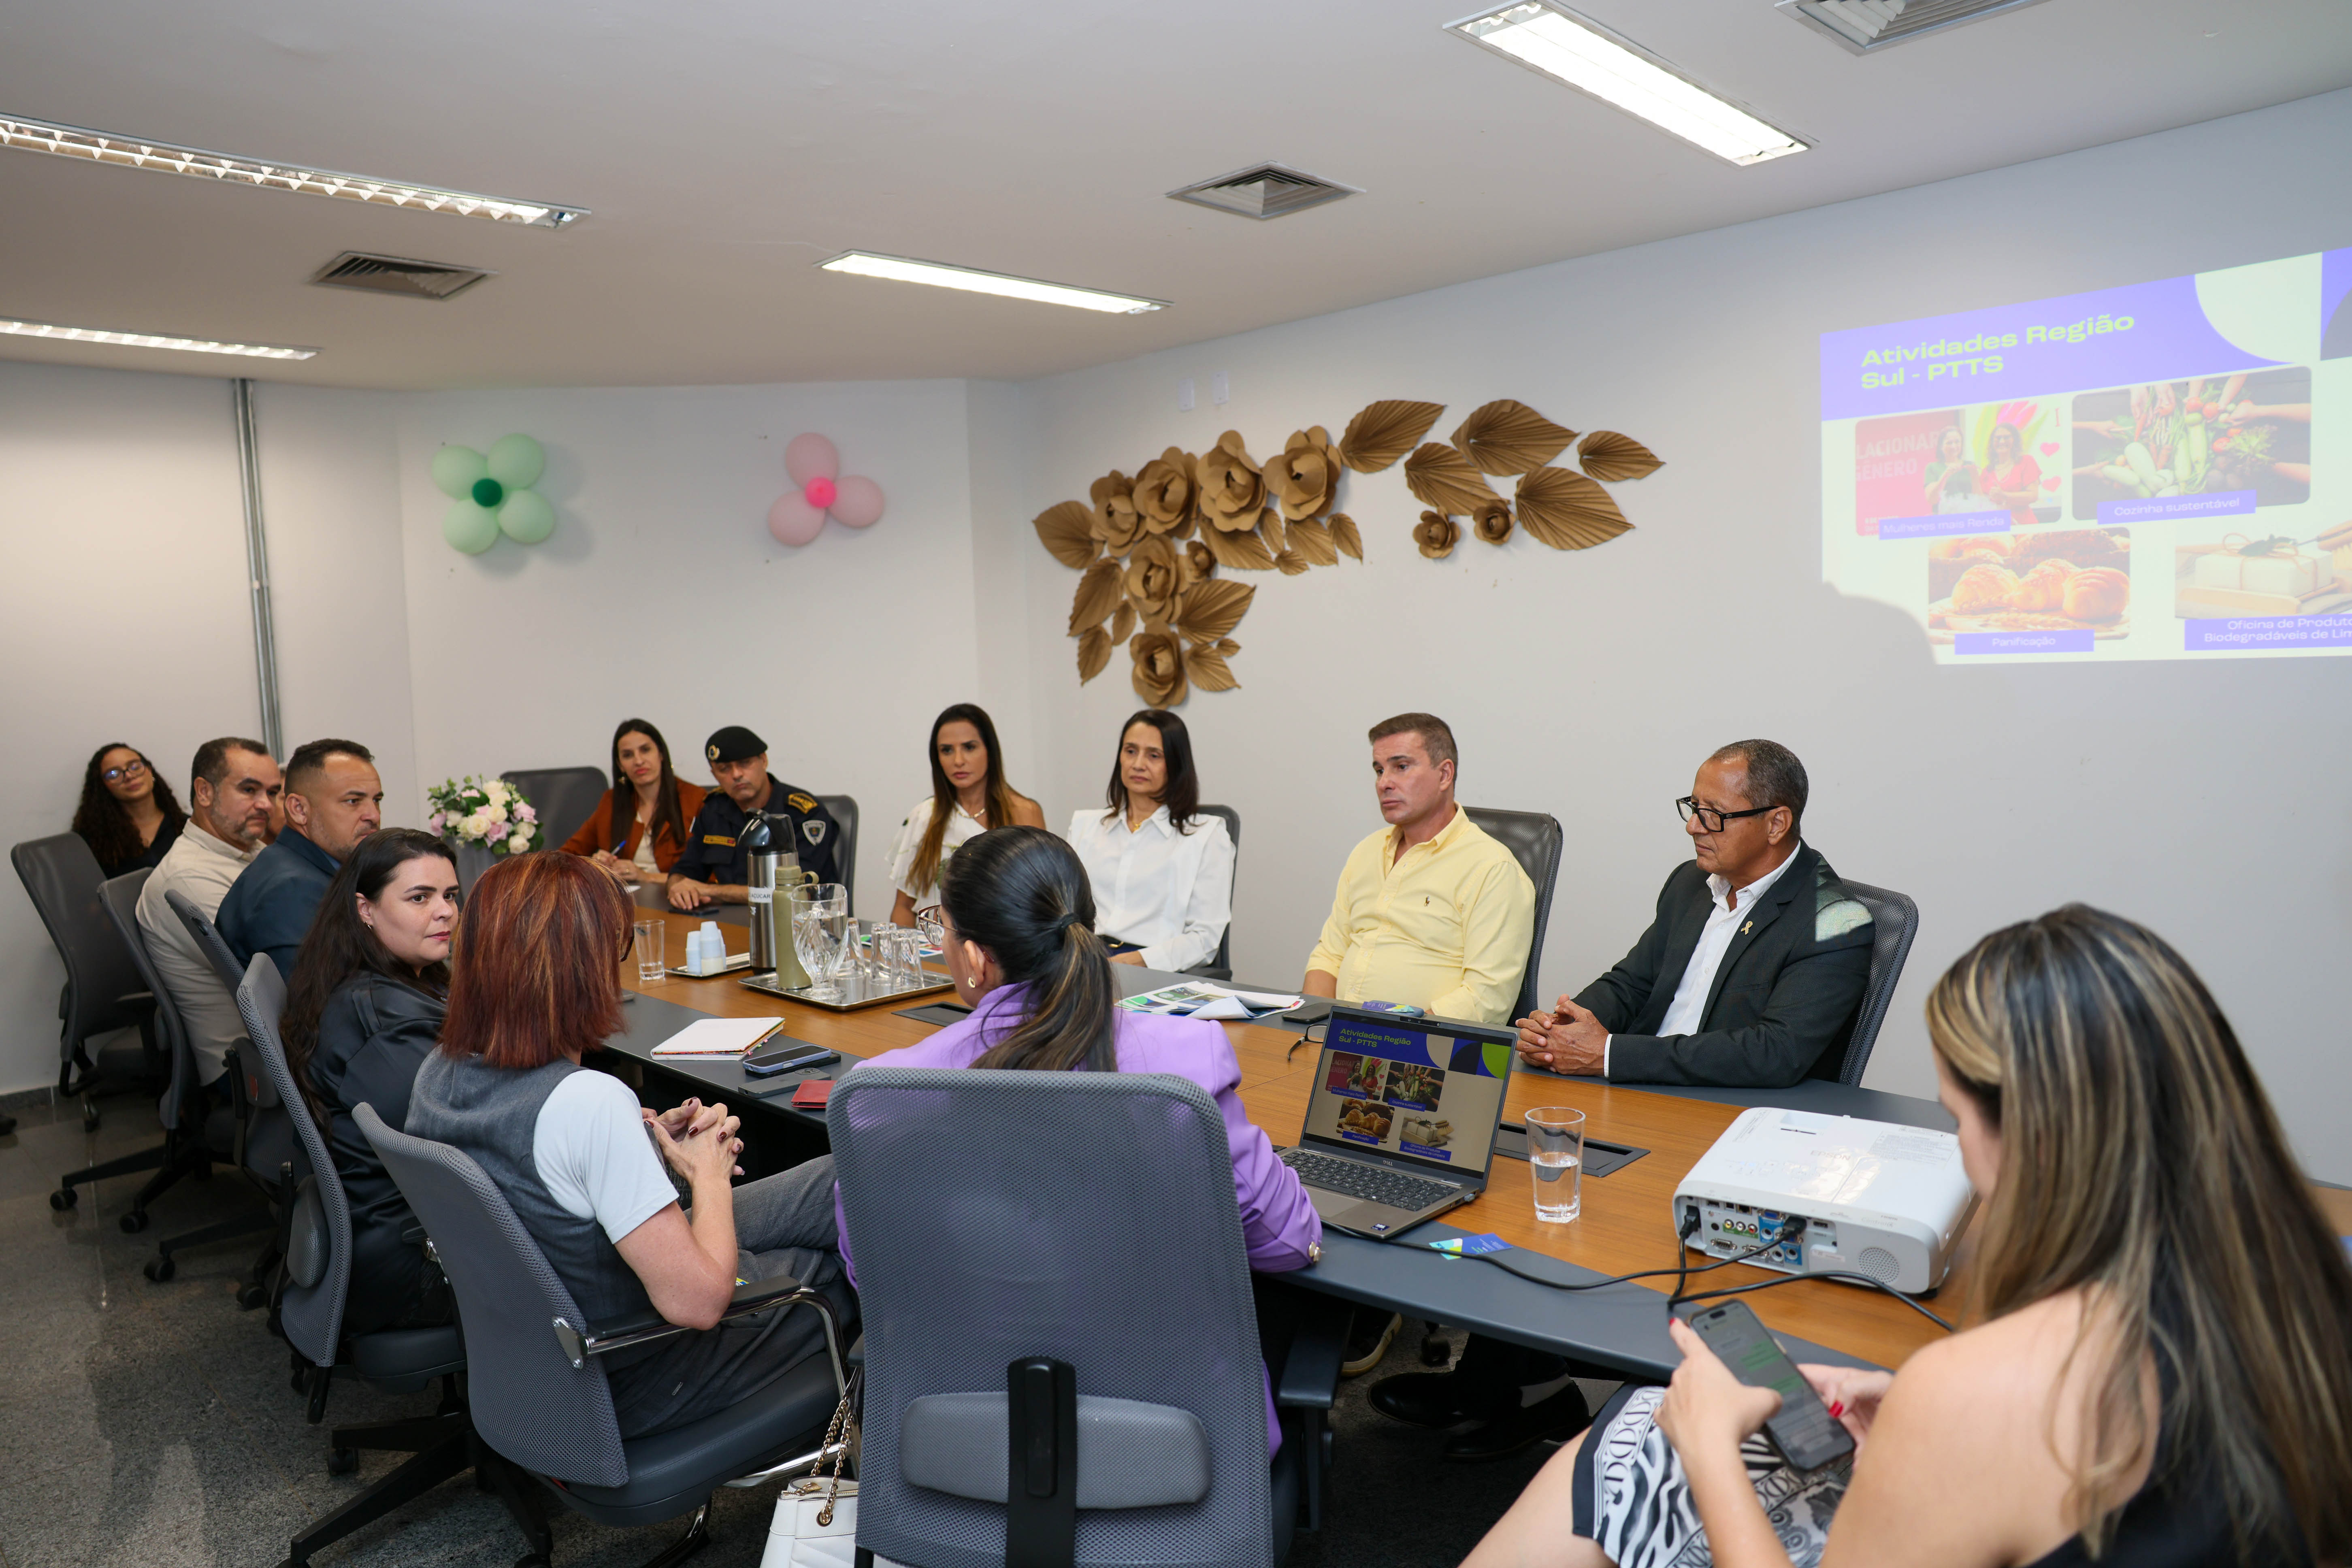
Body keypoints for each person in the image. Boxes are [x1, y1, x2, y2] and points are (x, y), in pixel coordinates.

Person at [1464, 905, 2352, 1568]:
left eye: (1955, 1114)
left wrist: (1706, 1448)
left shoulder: (1987, 1386)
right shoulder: (2308, 1292)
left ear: (2032, 1136)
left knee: (1639, 1436)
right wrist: (1908, 1397)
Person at [839, 825, 1318, 1448]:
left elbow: (875, 1277)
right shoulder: (1187, 1059)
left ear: (977, 958)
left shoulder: (883, 1094)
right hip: (1177, 1447)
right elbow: (1288, 1239)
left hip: (965, 1442)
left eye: (945, 930)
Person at [407, 852, 849, 1438]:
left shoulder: (440, 1071)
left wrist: (636, 1142)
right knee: (843, 1260)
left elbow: (533, 1174)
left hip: (547, 1353)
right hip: (637, 1370)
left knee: (839, 1184)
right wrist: (708, 1174)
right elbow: (698, 1305)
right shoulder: (588, 1102)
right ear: (584, 968)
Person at [1514, 741, 1873, 1087]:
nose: (1693, 826)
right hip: (1639, 1088)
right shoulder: (1692, 882)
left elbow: (1775, 1052)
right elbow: (1632, 984)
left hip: (1725, 1112)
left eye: (1714, 814)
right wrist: (1560, 1030)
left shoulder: (1836, 923)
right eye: (1693, 807)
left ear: (1776, 824)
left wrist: (1609, 1055)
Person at [278, 829, 461, 1334]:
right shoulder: (384, 1021)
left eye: (450, 895)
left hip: (397, 1232)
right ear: (365, 909)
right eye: (420, 897)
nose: (445, 911)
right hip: (411, 1263)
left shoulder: (382, 982)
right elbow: (458, 1145)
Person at [1303, 713, 1534, 1028]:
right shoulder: (1366, 852)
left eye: (1401, 767)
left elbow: (1486, 998)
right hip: (1335, 1039)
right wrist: (1314, 1027)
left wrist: (1394, 1037)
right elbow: (1329, 957)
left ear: (1444, 775)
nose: (1384, 783)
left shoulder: (1492, 868)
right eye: (1379, 770)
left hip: (1424, 1055)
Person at [135, 738, 284, 1089]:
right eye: (249, 789)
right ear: (204, 792)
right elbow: (280, 976)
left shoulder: (247, 851)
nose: (266, 804)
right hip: (248, 1070)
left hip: (276, 1043)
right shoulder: (189, 877)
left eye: (272, 792)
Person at [1065, 708, 1234, 971]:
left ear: (1176, 764)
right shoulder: (1086, 826)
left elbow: (1205, 939)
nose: (1138, 764)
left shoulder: (1207, 835)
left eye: (1154, 755)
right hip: (1083, 961)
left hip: (1151, 969)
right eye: (1130, 751)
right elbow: (1064, 911)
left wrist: (1137, 962)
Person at [217, 738, 384, 981]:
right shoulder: (291, 890)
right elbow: (321, 1004)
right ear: (299, 810)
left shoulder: (291, 862)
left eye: (376, 800)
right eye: (353, 801)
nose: (373, 815)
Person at [884, 704, 1045, 927]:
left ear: (990, 750)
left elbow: (1040, 906)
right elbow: (903, 907)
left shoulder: (1024, 813)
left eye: (969, 747)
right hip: (931, 949)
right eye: (947, 750)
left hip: (1001, 953)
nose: (958, 760)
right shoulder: (923, 817)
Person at [667, 726, 840, 911]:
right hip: (733, 923)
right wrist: (677, 887)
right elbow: (685, 869)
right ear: (714, 775)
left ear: (764, 761)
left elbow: (794, 890)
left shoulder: (803, 813)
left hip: (803, 923)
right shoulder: (713, 811)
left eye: (744, 763)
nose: (736, 775)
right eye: (724, 769)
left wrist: (710, 890)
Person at [560, 719, 709, 891]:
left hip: (680, 902)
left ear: (661, 754)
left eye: (645, 750)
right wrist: (595, 865)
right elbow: (566, 856)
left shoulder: (695, 799)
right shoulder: (611, 802)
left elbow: (710, 875)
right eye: (628, 755)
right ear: (620, 765)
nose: (638, 761)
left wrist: (646, 877)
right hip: (628, 903)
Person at [72, 743, 187, 879]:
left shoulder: (187, 827)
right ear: (103, 787)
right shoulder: (94, 840)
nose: (129, 776)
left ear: (150, 771)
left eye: (135, 766)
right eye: (114, 773)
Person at [1977, 419, 2043, 527]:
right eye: (1998, 438)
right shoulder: (1987, 471)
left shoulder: (2027, 462)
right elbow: (1981, 503)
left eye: (2007, 437)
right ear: (1992, 443)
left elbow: (2033, 496)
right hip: (1998, 528)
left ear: (2015, 441)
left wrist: (2004, 496)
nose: (2002, 441)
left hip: (2024, 527)